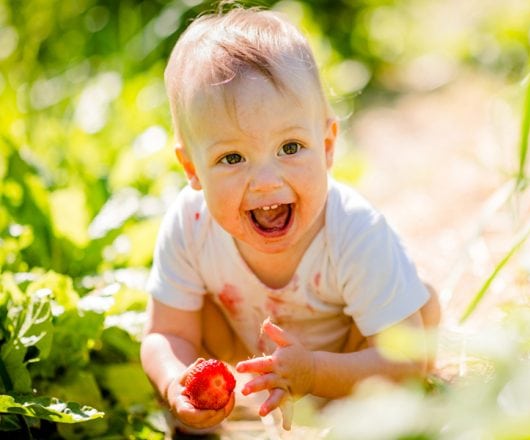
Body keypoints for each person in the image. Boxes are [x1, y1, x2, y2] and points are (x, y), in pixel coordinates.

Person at [140, 4, 440, 435]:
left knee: (413, 320)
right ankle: (212, 426)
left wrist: (315, 372)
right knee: (186, 326)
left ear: (328, 145)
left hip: (351, 370)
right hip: (252, 366)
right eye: (232, 157)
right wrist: (176, 383)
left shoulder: (355, 231)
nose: (265, 181)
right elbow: (164, 334)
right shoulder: (190, 226)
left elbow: (406, 361)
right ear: (192, 170)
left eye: (290, 147)